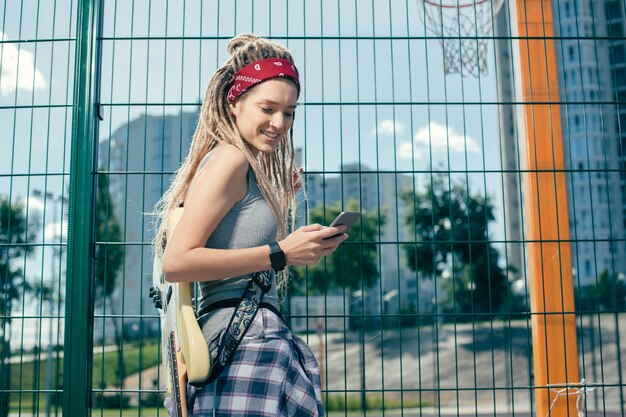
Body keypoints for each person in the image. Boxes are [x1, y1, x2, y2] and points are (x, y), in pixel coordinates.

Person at [153, 33, 347, 416]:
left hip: (250, 339)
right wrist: (280, 252)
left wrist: (273, 197)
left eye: (289, 112)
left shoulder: (242, 166)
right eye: (267, 108)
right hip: (243, 342)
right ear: (235, 102)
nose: (280, 122)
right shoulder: (229, 159)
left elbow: (231, 234)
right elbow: (177, 262)